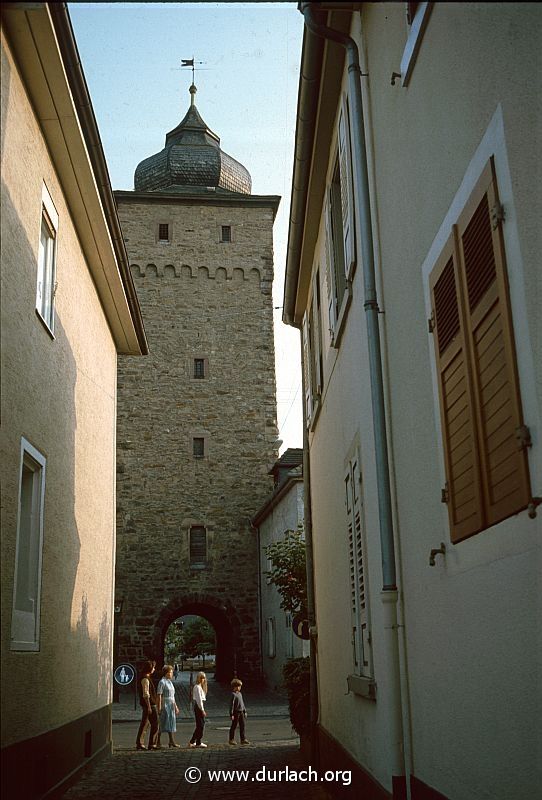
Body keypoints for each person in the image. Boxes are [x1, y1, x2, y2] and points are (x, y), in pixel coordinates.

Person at [136, 660, 160, 750]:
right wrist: (149, 706)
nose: (154, 669)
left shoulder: (146, 678)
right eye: (153, 667)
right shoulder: (145, 679)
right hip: (149, 704)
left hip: (147, 704)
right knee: (155, 723)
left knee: (145, 723)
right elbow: (146, 694)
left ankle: (140, 743)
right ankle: (152, 743)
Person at [157, 664, 180, 748]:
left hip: (171, 704)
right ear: (166, 673)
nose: (172, 674)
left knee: (171, 722)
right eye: (170, 672)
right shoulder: (162, 682)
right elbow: (159, 695)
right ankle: (157, 741)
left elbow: (172, 696)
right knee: (162, 722)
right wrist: (159, 707)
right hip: (165, 703)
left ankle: (171, 741)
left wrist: (176, 706)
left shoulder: (170, 682)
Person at [188, 671, 208, 748]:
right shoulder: (197, 687)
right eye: (201, 678)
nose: (203, 679)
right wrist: (202, 710)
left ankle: (195, 741)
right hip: (198, 706)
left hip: (199, 706)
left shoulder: (200, 687)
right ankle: (195, 741)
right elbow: (199, 700)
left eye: (204, 678)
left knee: (201, 725)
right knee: (200, 725)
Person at [228, 678, 250, 745]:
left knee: (242, 725)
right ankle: (231, 739)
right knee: (234, 726)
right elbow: (231, 705)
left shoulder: (240, 694)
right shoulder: (233, 695)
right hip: (236, 712)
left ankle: (243, 739)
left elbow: (242, 703)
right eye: (237, 686)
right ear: (234, 687)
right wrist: (231, 714)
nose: (238, 688)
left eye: (239, 686)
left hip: (241, 712)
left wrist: (244, 711)